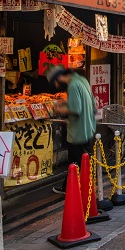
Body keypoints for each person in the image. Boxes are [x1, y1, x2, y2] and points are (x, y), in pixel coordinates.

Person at [47, 66, 97, 195]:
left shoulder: (73, 85)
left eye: (56, 83)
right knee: (81, 160)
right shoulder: (82, 80)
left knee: (75, 162)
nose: (58, 86)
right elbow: (90, 102)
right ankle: (70, 187)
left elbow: (76, 109)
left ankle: (73, 189)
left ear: (58, 78)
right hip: (88, 128)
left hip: (78, 131)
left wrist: (58, 110)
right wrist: (63, 101)